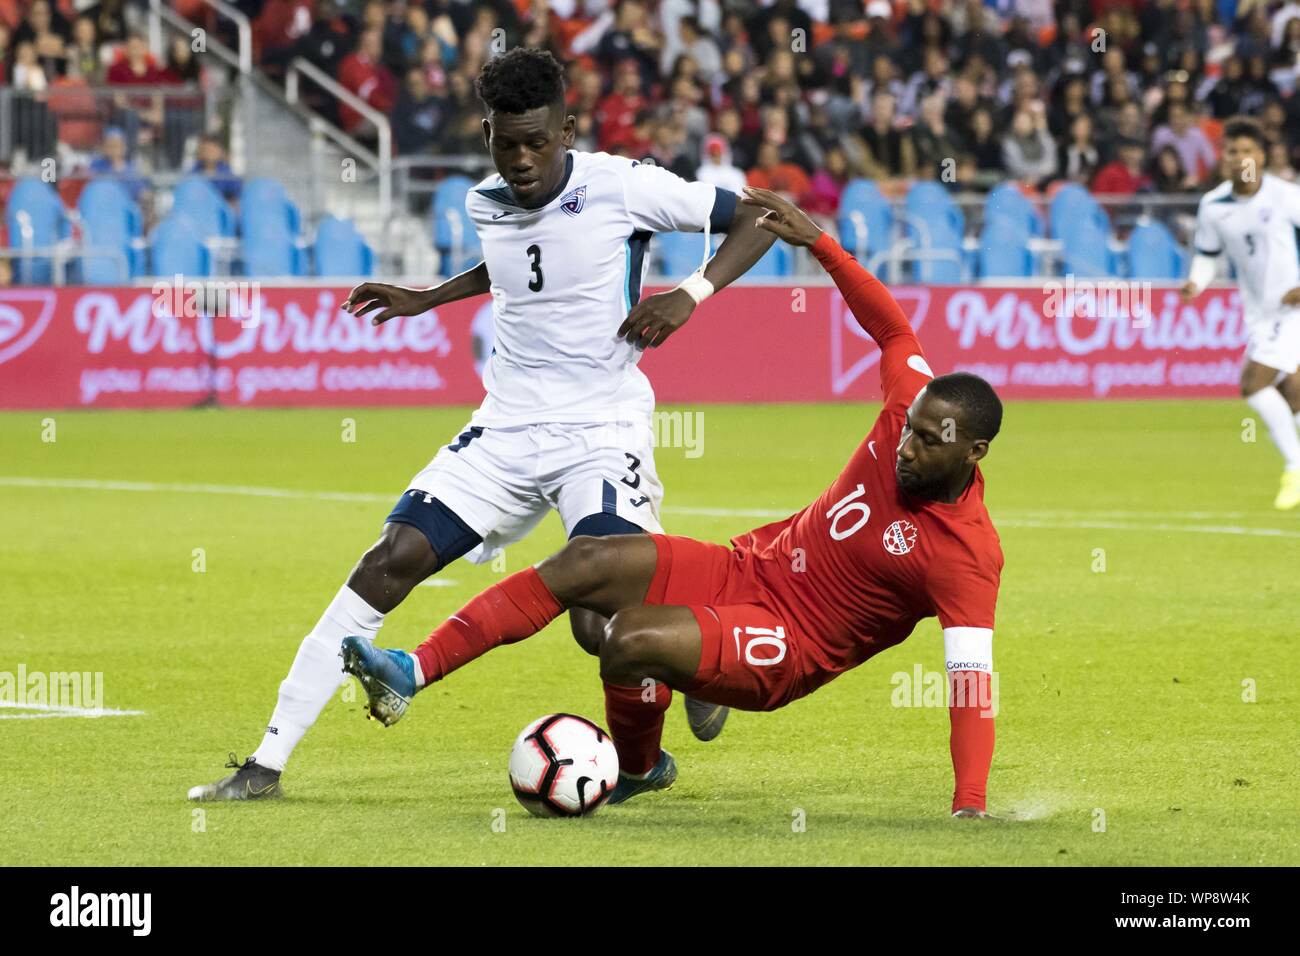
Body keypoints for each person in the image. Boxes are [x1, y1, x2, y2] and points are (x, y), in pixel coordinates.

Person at [188, 47, 778, 801]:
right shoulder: (483, 201)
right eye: (507, 142)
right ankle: (265, 763)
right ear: (487, 134)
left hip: (600, 428)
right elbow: (514, 265)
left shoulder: (625, 186)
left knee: (601, 624)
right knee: (387, 559)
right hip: (505, 430)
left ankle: (694, 656)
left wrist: (691, 292)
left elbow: (762, 213)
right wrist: (427, 298)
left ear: (567, 128)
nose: (523, 160)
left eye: (538, 141)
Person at [340, 186, 1006, 816]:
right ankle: (412, 669)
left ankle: (639, 767)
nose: (905, 448)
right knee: (587, 560)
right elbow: (894, 333)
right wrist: (821, 244)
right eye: (909, 429)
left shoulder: (966, 556)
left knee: (627, 641)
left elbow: (970, 683)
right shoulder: (905, 410)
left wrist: (970, 805)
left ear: (972, 452)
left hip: (790, 641)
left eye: (925, 442)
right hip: (748, 568)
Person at [1181, 119, 1300, 509]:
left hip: (1292, 307)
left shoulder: (1286, 197)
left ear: (1262, 156)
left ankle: (1295, 468)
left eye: (1248, 150)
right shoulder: (1214, 206)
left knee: (1253, 382)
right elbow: (1208, 256)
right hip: (1260, 314)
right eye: (1233, 151)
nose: (1240, 158)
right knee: (1292, 394)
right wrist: (1196, 283)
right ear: (1224, 158)